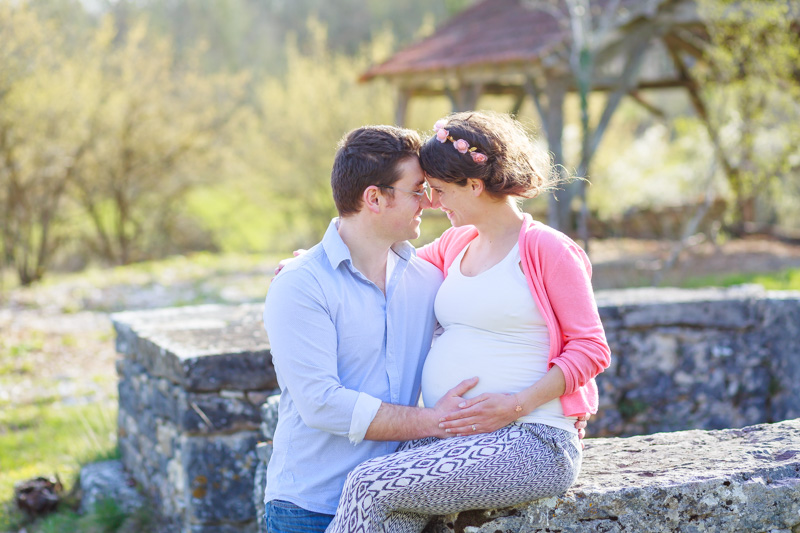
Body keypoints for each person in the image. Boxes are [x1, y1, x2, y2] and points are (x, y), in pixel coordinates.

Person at [324, 111, 611, 533]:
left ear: (474, 186)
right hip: (459, 435)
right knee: (379, 484)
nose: (432, 203)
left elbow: (591, 349)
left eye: (439, 190)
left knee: (370, 485)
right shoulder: (456, 244)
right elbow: (381, 267)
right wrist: (317, 263)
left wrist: (516, 405)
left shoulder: (548, 250)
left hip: (531, 439)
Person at [262, 125, 489, 533]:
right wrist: (433, 421)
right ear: (374, 198)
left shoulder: (428, 281)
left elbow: (494, 329)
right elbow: (321, 403)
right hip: (311, 506)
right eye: (417, 190)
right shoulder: (301, 284)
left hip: (399, 502)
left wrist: (564, 400)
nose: (429, 202)